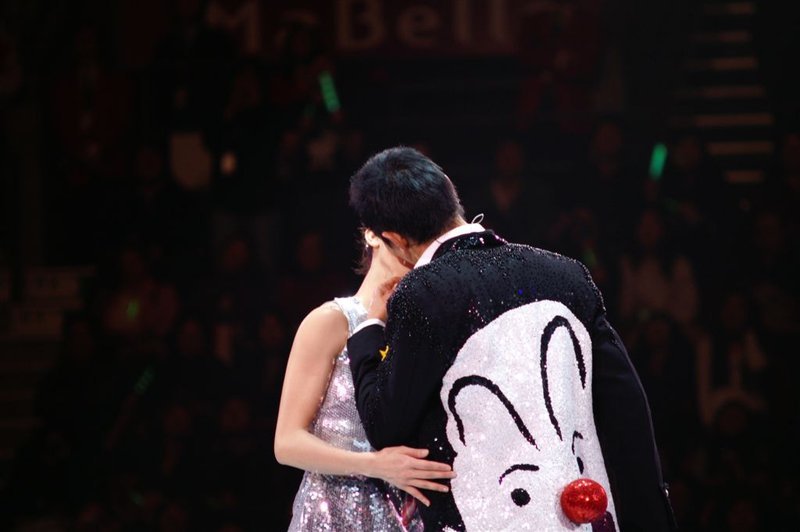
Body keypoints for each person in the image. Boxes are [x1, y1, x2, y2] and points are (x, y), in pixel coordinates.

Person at [346, 146, 677, 531]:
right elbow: (626, 410)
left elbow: (385, 424)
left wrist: (368, 329)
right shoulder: (566, 274)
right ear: (450, 193)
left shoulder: (422, 294)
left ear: (393, 238)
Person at [274, 228, 456, 530]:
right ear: (371, 234)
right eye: (404, 231)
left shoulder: (424, 333)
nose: (412, 246)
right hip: (332, 514)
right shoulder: (332, 321)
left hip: (407, 517)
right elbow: (287, 442)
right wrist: (375, 465)